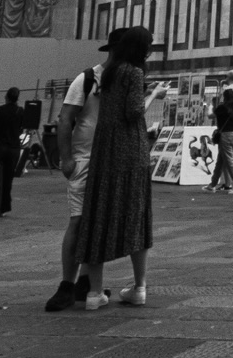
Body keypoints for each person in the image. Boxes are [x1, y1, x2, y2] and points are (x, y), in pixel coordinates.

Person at [69, 25, 155, 309]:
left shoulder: (108, 73)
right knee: (137, 216)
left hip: (104, 152)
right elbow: (133, 112)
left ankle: (94, 293)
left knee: (97, 217)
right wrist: (153, 95)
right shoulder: (134, 72)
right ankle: (139, 287)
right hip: (131, 151)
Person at [44, 62, 101, 311]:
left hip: (108, 163)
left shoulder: (124, 80)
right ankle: (67, 284)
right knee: (78, 221)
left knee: (98, 223)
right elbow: (65, 118)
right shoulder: (87, 79)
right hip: (83, 160)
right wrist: (66, 159)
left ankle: (87, 281)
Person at [0, 88, 26, 220]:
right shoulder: (20, 111)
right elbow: (22, 128)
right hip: (14, 148)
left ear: (6, 97)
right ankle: (4, 207)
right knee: (8, 179)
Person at [209, 83, 233, 194]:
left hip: (225, 135)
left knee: (229, 159)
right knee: (221, 160)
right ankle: (212, 184)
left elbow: (210, 115)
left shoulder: (220, 108)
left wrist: (210, 107)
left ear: (224, 97)